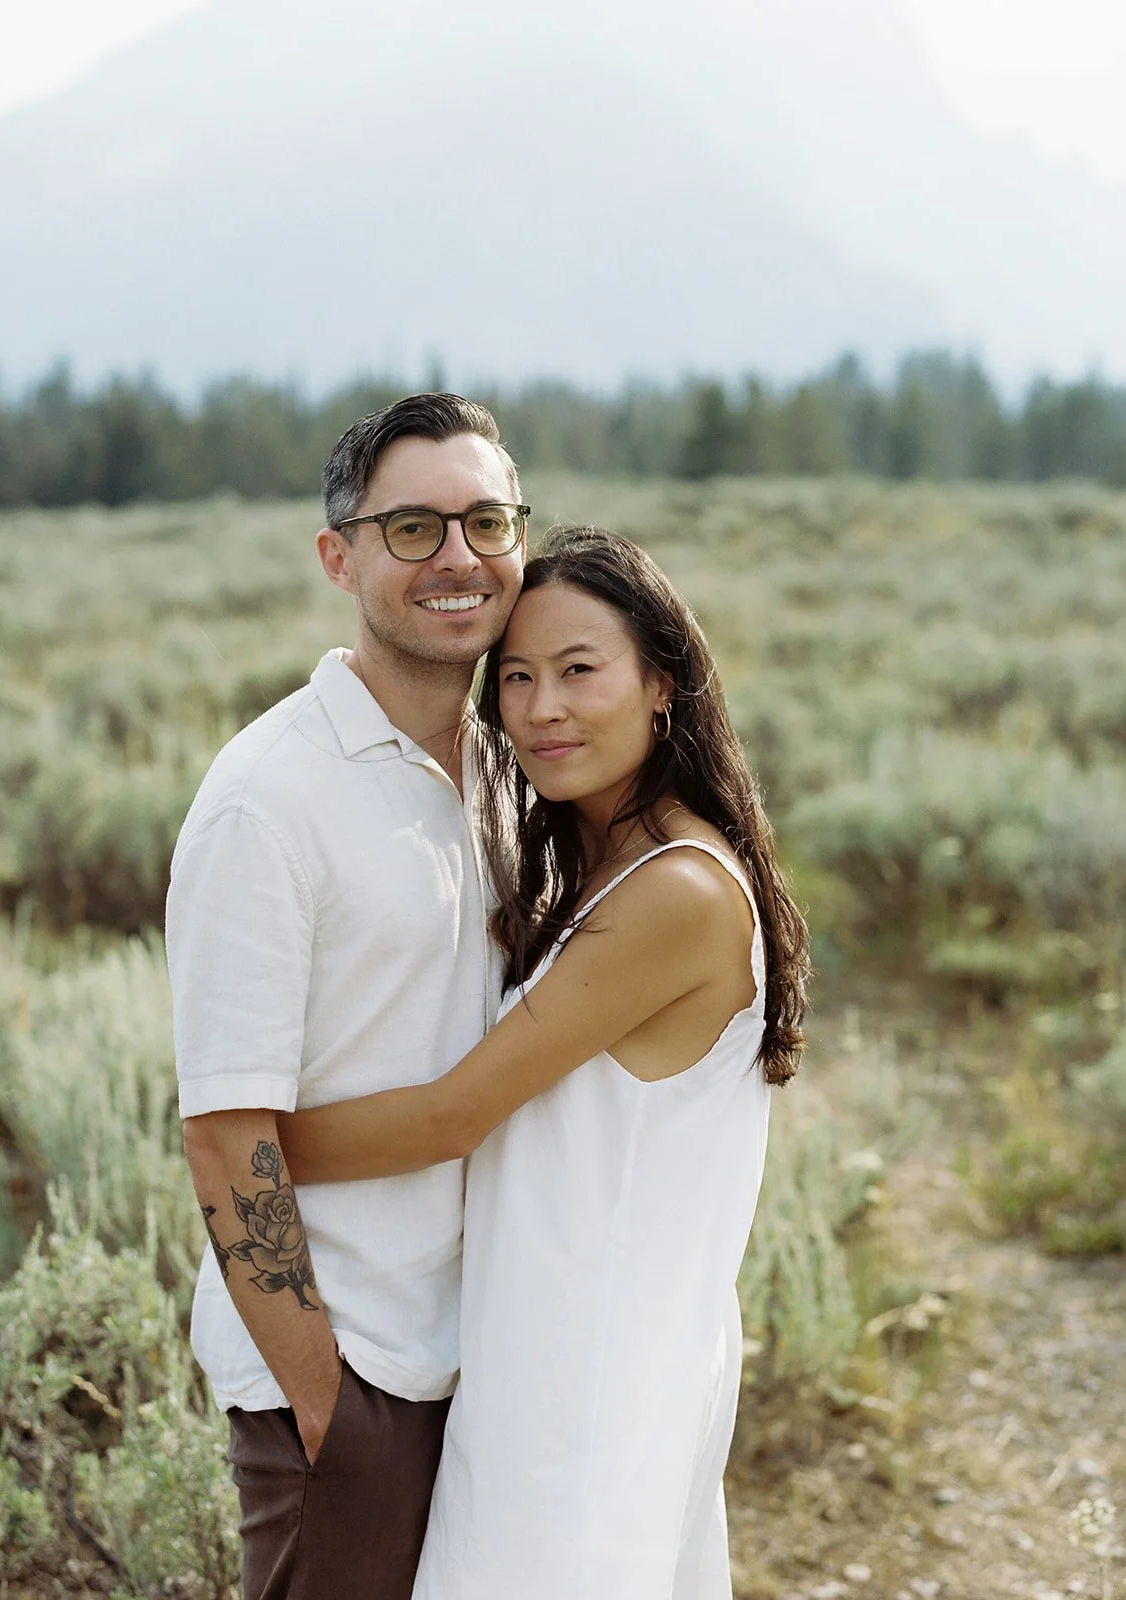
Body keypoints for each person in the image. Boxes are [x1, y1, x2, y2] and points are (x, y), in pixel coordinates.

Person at [276, 524, 811, 1599]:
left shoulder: (679, 892)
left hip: (589, 1386)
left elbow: (449, 1117)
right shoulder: (608, 863)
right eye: (515, 677)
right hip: (546, 1365)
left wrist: (235, 1144)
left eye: (579, 670)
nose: (542, 708)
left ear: (662, 684)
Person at [165, 392, 528, 1600]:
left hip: (486, 1361)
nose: (459, 558)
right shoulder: (268, 800)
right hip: (352, 1377)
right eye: (413, 528)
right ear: (341, 556)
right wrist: (332, 1408)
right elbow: (224, 1132)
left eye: (485, 520)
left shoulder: (506, 771)